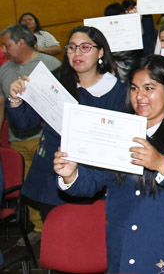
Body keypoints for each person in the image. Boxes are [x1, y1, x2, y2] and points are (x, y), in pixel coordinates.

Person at [53, 54, 164, 273]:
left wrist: (161, 163)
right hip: (128, 246)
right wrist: (71, 174)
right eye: (134, 88)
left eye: (149, 88)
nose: (140, 96)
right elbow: (95, 181)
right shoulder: (122, 129)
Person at [7, 26, 126, 232]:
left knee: (95, 245)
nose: (77, 53)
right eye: (71, 47)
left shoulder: (119, 91)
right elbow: (23, 124)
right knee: (61, 244)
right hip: (51, 179)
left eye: (85, 47)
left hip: (98, 181)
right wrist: (16, 100)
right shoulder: (54, 82)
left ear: (100, 53)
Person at [0, 24, 61, 240]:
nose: (4, 50)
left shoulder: (50, 64)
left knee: (48, 186)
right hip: (16, 139)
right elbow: (1, 103)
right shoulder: (5, 70)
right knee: (29, 187)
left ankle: (58, 228)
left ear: (21, 43)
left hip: (43, 137)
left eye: (7, 45)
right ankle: (39, 228)